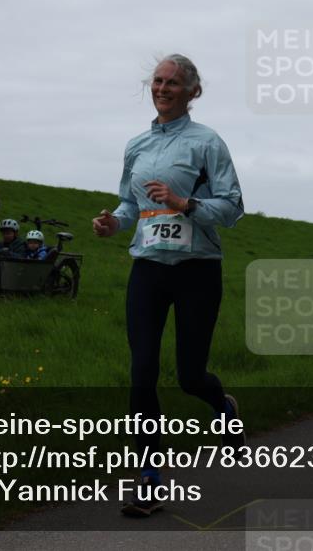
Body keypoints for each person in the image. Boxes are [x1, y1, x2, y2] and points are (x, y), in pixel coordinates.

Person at [91, 54, 245, 518]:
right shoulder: (136, 145)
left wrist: (184, 202)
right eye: (157, 80)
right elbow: (128, 204)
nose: (163, 87)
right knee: (142, 372)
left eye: (173, 82)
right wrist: (112, 224)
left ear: (192, 91)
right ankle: (150, 478)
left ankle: (224, 406)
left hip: (198, 269)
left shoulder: (207, 143)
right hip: (149, 270)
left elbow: (233, 207)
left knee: (189, 376)